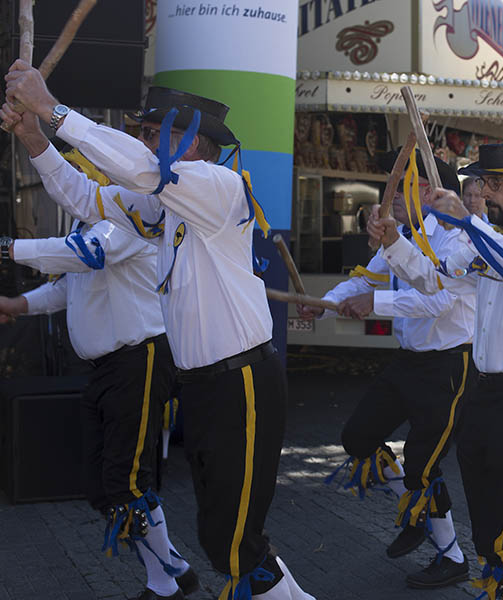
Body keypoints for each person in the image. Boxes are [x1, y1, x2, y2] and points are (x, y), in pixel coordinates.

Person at [2, 61, 315, 600]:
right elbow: (88, 199)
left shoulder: (219, 187)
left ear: (190, 143)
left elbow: (140, 173)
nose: (139, 142)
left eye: (151, 133)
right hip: (206, 384)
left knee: (230, 539)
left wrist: (52, 110)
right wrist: (35, 139)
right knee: (228, 536)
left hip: (240, 381)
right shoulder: (164, 207)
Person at [369, 143, 503, 600]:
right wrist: (394, 243)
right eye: (481, 183)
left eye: (495, 184)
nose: (485, 192)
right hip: (483, 394)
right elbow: (434, 280)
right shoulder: (485, 234)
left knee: (500, 533)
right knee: (487, 533)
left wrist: (469, 223)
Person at [0, 150, 196, 600]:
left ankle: (167, 579)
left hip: (141, 359)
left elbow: (85, 257)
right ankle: (175, 571)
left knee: (124, 483)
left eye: (74, 176)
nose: (64, 187)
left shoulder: (125, 217)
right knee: (103, 488)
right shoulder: (87, 227)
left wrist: (9, 248)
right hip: (110, 367)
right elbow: (69, 285)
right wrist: (17, 305)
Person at [301, 150, 476, 589]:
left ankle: (452, 556)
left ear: (432, 192)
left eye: (403, 183)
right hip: (408, 362)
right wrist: (320, 307)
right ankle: (413, 512)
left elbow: (437, 301)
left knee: (422, 463)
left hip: (450, 365)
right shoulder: (398, 236)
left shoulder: (456, 240)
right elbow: (363, 280)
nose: (391, 193)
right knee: (357, 438)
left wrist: (374, 305)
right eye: (391, 182)